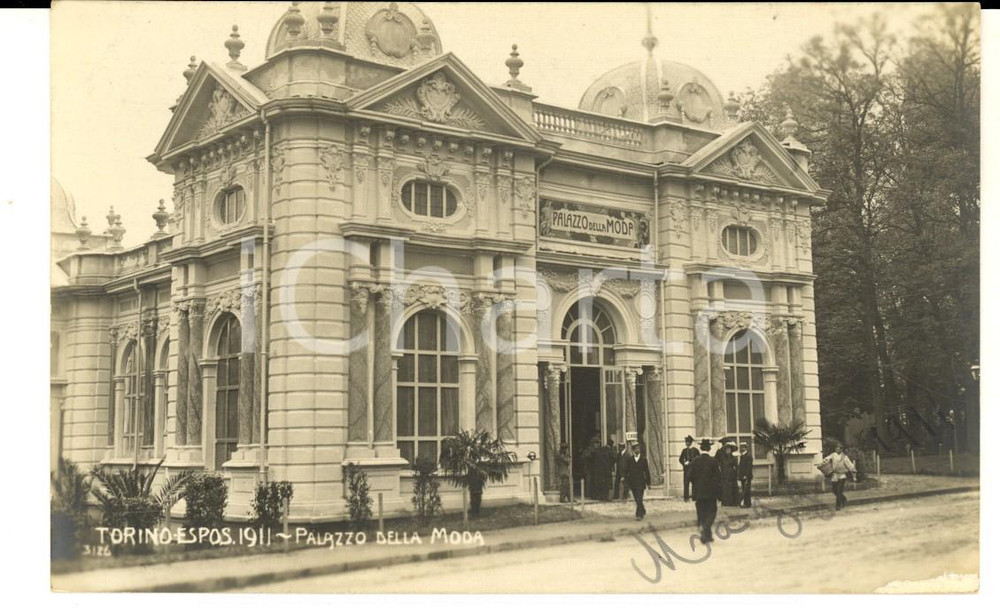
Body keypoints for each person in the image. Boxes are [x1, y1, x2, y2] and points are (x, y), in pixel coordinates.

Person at [689, 438, 721, 544]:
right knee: (712, 512)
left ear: (701, 448)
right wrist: (718, 492)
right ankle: (705, 528)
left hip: (699, 493)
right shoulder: (713, 461)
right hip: (711, 493)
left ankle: (707, 535)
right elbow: (718, 478)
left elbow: (689, 477)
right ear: (709, 449)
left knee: (702, 513)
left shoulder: (695, 461)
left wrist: (696, 485)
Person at [821, 444, 857, 510]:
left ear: (841, 449)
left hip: (842, 475)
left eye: (838, 449)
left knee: (839, 491)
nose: (837, 450)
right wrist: (825, 461)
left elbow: (850, 465)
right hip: (834, 475)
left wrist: (853, 472)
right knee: (834, 490)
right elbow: (827, 458)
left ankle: (838, 506)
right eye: (836, 448)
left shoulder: (844, 457)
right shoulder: (833, 454)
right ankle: (843, 499)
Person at [623, 442, 651, 520]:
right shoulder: (630, 460)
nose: (638, 450)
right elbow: (626, 470)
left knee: (639, 498)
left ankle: (638, 515)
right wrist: (625, 478)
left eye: (638, 448)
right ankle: (642, 509)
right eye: (636, 448)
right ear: (633, 450)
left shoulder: (643, 459)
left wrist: (649, 483)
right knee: (637, 499)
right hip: (633, 482)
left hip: (641, 482)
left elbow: (647, 471)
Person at [679, 435, 700, 502]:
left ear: (690, 442)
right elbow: (680, 459)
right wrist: (684, 463)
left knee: (694, 483)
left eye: (688, 442)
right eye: (686, 442)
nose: (687, 443)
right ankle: (686, 497)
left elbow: (698, 459)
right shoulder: (684, 450)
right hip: (687, 469)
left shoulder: (695, 450)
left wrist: (693, 463)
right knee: (686, 483)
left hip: (694, 470)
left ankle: (694, 497)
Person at [718, 442, 739, 507]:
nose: (728, 450)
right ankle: (726, 502)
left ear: (731, 450)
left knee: (732, 488)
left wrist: (736, 473)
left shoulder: (734, 458)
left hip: (731, 476)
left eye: (729, 449)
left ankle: (733, 502)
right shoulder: (722, 458)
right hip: (724, 475)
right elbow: (720, 466)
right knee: (725, 489)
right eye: (727, 449)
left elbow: (737, 467)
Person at [737, 443, 753, 508]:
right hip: (743, 476)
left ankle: (747, 504)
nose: (742, 448)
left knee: (746, 490)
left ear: (746, 448)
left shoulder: (748, 456)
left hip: (746, 476)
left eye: (743, 447)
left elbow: (749, 467)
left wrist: (746, 476)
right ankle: (746, 503)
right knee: (745, 489)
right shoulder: (742, 456)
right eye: (741, 447)